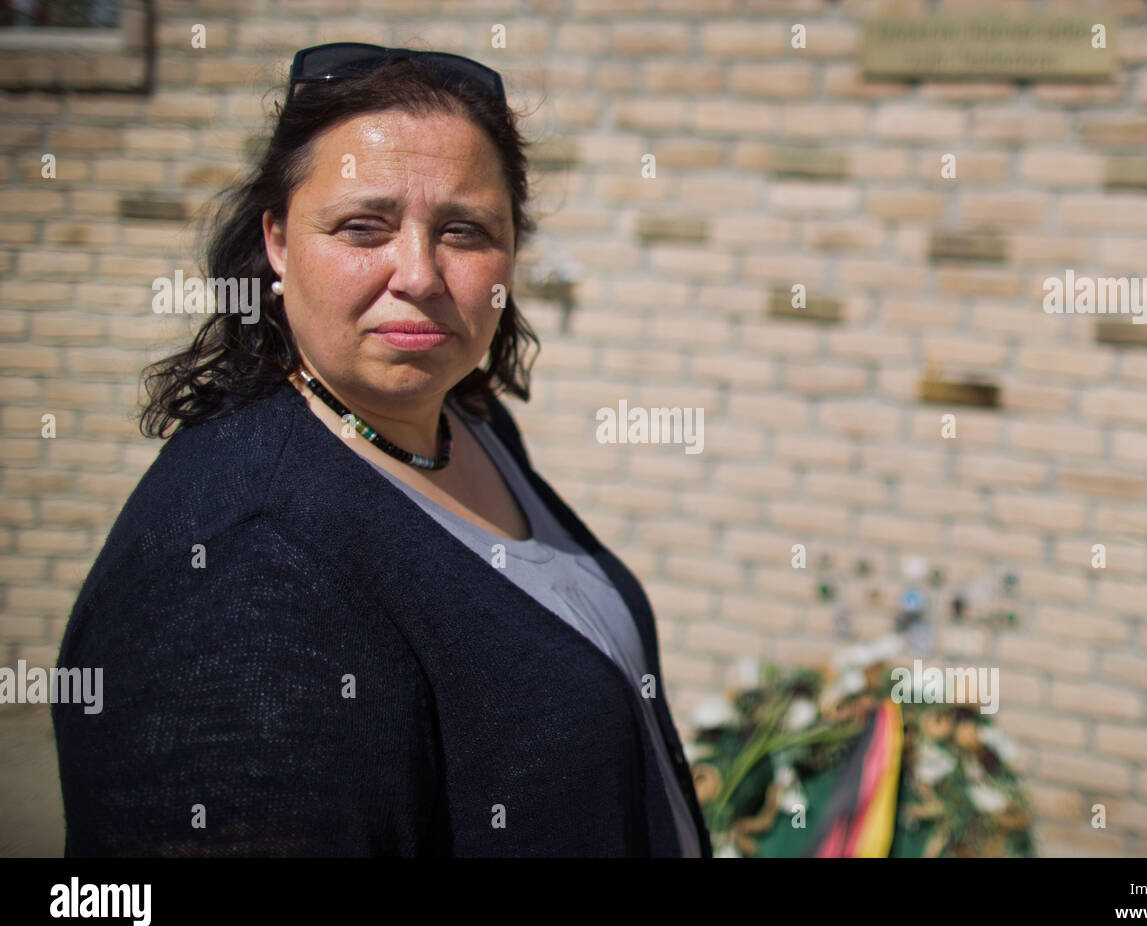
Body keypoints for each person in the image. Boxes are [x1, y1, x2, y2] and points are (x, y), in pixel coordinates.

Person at [52, 44, 711, 857]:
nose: (420, 274)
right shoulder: (242, 575)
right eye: (363, 226)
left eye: (465, 231)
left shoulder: (462, 421)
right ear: (279, 244)